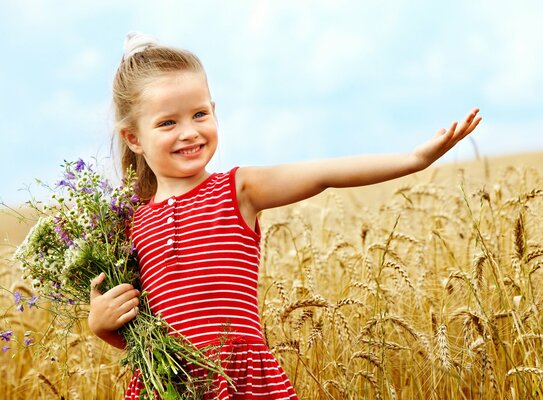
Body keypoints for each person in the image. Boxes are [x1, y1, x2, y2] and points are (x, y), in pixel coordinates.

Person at [87, 32, 482, 400]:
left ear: (214, 111)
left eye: (200, 114)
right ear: (134, 138)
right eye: (168, 123)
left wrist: (414, 159)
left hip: (241, 380)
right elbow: (143, 335)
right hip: (170, 384)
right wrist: (102, 326)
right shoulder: (128, 224)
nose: (189, 132)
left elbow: (324, 175)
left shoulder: (237, 190)